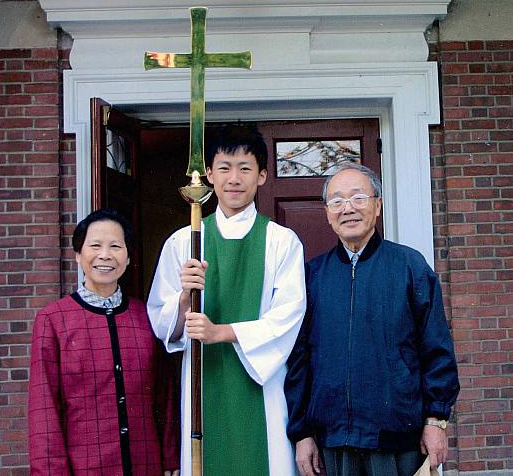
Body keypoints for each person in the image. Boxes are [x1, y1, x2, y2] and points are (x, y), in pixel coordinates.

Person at [147, 125, 307, 475]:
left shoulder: (282, 241)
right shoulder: (184, 241)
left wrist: (222, 332)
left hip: (262, 385)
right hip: (202, 383)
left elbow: (289, 316)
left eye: (245, 168)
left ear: (262, 175)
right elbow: (161, 321)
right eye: (224, 167)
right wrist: (186, 297)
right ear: (208, 174)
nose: (234, 178)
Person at [284, 162, 460, 476]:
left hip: (397, 441)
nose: (347, 208)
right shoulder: (312, 276)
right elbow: (299, 361)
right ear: (327, 213)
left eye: (358, 198)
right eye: (337, 201)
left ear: (377, 206)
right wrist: (301, 432)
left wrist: (436, 421)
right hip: (333, 443)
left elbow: (437, 351)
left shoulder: (409, 267)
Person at [28, 209, 179, 476]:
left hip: (145, 463)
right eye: (95, 245)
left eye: (116, 246)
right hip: (84, 466)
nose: (105, 255)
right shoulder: (53, 320)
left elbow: (164, 398)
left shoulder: (147, 316)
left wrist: (170, 460)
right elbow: (44, 409)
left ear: (128, 256)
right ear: (78, 254)